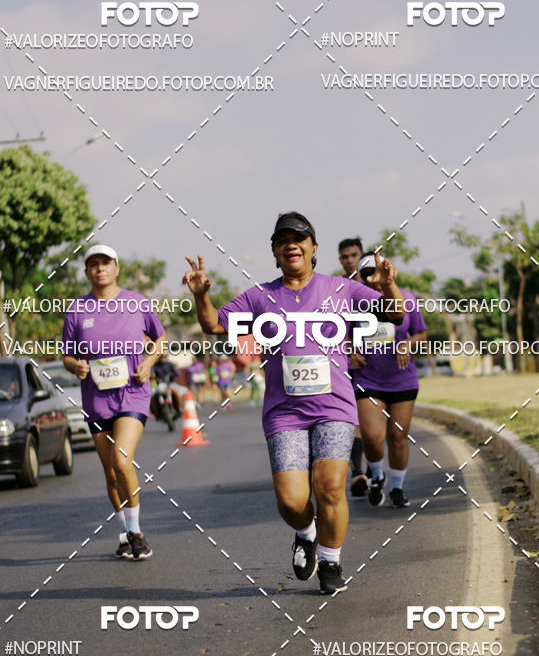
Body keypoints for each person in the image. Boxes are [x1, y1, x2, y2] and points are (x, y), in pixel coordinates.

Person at [183, 212, 406, 594]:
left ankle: (331, 561)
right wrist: (202, 295)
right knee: (291, 499)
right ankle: (306, 533)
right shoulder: (259, 297)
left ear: (313, 248)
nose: (292, 244)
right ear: (274, 251)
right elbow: (215, 325)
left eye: (299, 238)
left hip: (334, 407)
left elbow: (395, 313)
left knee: (330, 487)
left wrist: (388, 288)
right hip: (284, 412)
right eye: (283, 239)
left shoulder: (342, 290)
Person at [62, 244, 167, 560]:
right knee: (110, 472)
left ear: (116, 268)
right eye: (93, 264)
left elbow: (160, 340)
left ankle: (136, 532)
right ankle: (124, 531)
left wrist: (148, 363)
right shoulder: (77, 311)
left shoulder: (136, 302)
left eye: (105, 263)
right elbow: (66, 354)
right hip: (96, 400)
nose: (99, 268)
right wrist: (75, 365)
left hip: (132, 393)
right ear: (87, 272)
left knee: (122, 461)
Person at [350, 251, 427, 508]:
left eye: (376, 272)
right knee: (372, 436)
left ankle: (396, 487)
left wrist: (407, 344)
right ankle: (377, 475)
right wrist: (349, 349)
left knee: (398, 436)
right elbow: (337, 334)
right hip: (367, 379)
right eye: (366, 274)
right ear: (360, 277)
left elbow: (421, 334)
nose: (373, 278)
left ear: (388, 272)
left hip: (401, 380)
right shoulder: (352, 302)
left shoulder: (406, 298)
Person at [338, 237, 369, 496]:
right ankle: (358, 471)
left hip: (378, 366)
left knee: (373, 425)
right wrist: (349, 348)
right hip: (348, 367)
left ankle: (375, 471)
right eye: (344, 256)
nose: (349, 260)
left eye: (353, 255)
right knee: (355, 420)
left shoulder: (375, 285)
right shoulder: (336, 289)